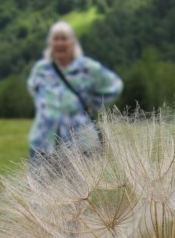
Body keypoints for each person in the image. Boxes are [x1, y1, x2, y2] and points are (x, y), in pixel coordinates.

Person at [27, 21, 123, 159]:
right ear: (50, 43)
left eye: (64, 39)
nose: (60, 43)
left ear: (72, 43)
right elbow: (33, 89)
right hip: (43, 142)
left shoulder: (88, 67)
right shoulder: (41, 69)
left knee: (81, 181)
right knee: (40, 180)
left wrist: (93, 105)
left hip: (80, 143)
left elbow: (115, 86)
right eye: (56, 39)